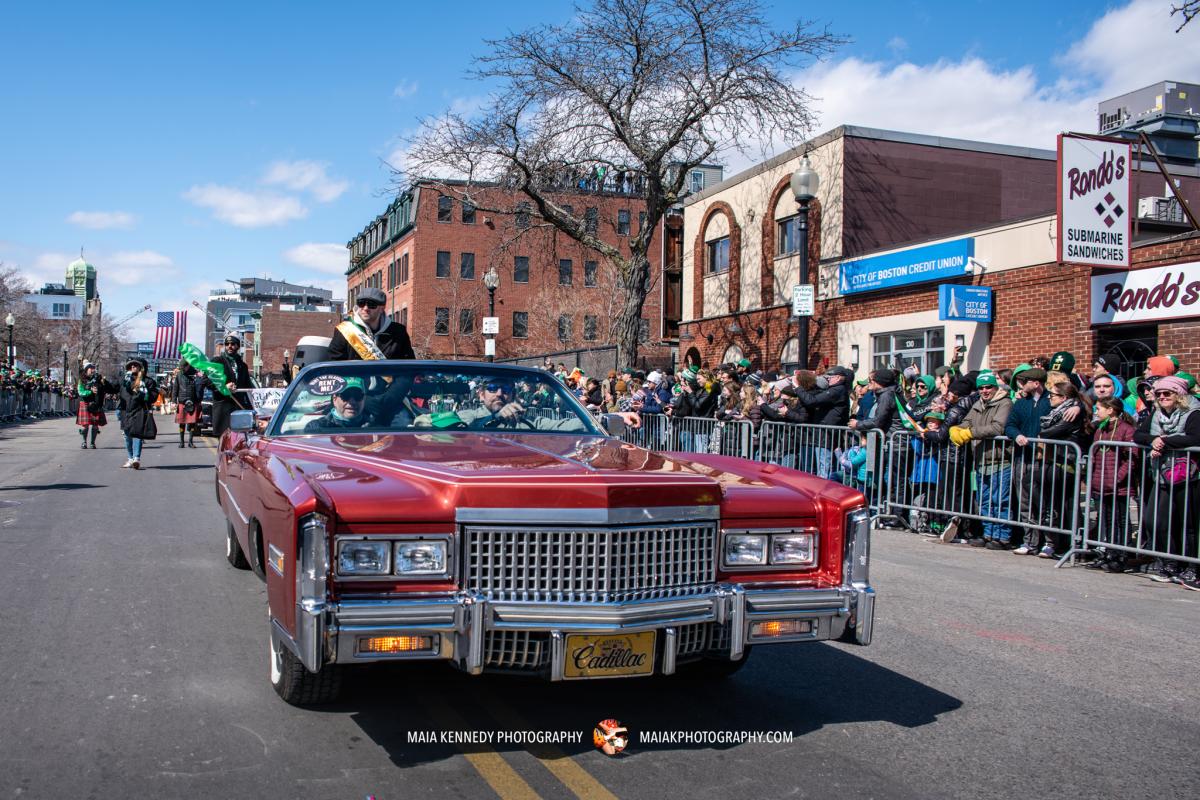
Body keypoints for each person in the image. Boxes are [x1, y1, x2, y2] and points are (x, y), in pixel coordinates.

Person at [1133, 375, 1200, 589]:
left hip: (1189, 475)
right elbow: (1139, 434)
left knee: (1187, 524)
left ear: (1179, 395)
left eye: (1167, 393)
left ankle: (1191, 567)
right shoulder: (1156, 414)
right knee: (1156, 521)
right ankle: (1169, 563)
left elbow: (1194, 438)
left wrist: (1164, 440)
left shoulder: (1194, 412)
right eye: (1159, 393)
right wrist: (1154, 439)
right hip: (1162, 474)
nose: (1162, 397)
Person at [948, 372, 1013, 549]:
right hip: (981, 459)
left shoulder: (1004, 403)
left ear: (995, 387)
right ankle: (988, 533)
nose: (985, 391)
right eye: (981, 388)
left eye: (988, 387)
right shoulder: (978, 403)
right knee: (984, 499)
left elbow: (997, 427)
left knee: (999, 500)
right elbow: (967, 421)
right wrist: (957, 429)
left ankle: (1002, 537)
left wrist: (970, 433)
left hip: (1000, 459)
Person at [1034, 380, 1093, 558]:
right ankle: (1061, 543)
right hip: (1058, 460)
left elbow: (1049, 432)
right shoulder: (1062, 410)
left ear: (1064, 397)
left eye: (1052, 395)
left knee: (1069, 505)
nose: (1050, 398)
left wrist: (1078, 406)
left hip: (1068, 461)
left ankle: (1076, 543)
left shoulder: (1072, 412)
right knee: (1058, 503)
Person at [451, 380, 640, 432]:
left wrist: (614, 418)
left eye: (506, 388)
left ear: (513, 393)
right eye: (493, 388)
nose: (500, 393)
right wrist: (494, 418)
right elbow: (426, 425)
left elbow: (564, 425)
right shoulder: (465, 416)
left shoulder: (528, 422)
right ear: (481, 393)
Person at [1087, 397, 1138, 572]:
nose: (1096, 411)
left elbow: (1131, 457)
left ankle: (1122, 555)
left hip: (1119, 485)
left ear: (1111, 410)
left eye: (1099, 408)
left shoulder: (1126, 429)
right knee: (1107, 519)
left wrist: (1118, 477)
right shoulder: (1100, 429)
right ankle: (1109, 552)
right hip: (1101, 482)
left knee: (1122, 519)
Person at [1006, 364, 1052, 555]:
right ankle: (1029, 541)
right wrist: (1016, 435)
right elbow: (1009, 425)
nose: (1020, 385)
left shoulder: (1050, 401)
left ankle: (1050, 542)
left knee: (1044, 502)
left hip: (1043, 459)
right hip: (1022, 457)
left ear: (1036, 383)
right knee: (1024, 501)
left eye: (1024, 382)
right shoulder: (1021, 403)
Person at [329, 287, 416, 361]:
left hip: (389, 381)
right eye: (361, 303)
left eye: (371, 304)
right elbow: (334, 366)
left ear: (382, 309)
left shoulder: (398, 332)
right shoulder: (344, 330)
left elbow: (408, 366)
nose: (365, 308)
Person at [210, 334, 254, 438]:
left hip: (239, 410)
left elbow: (248, 387)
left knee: (239, 445)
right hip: (223, 410)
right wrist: (224, 387)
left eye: (233, 344)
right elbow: (207, 381)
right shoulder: (217, 362)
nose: (229, 346)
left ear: (238, 346)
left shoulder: (243, 366)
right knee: (224, 447)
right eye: (227, 344)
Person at [118, 357, 158, 470]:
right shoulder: (125, 380)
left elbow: (153, 397)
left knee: (137, 434)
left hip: (139, 410)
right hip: (126, 410)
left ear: (141, 367)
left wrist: (143, 392)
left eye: (135, 365)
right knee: (127, 436)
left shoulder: (148, 381)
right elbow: (116, 390)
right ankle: (130, 458)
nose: (133, 367)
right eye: (131, 366)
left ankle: (136, 458)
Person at [304, 377, 373, 433]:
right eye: (346, 395)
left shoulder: (376, 427)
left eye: (358, 395)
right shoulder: (316, 428)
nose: (352, 401)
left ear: (364, 399)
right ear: (334, 399)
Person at [75, 361, 116, 449]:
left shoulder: (98, 378)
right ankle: (84, 442)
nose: (93, 370)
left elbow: (107, 389)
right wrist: (90, 392)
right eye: (91, 368)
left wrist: (104, 382)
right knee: (85, 425)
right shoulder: (82, 380)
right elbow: (80, 392)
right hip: (85, 403)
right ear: (86, 370)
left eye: (93, 368)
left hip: (96, 404)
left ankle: (93, 442)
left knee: (95, 425)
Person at [172, 362, 207, 447]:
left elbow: (200, 386)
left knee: (192, 423)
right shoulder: (179, 375)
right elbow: (175, 388)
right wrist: (173, 401)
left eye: (184, 367)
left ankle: (190, 442)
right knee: (182, 422)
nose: (183, 369)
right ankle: (181, 442)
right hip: (182, 402)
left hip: (193, 401)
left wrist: (200, 375)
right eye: (182, 367)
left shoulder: (195, 374)